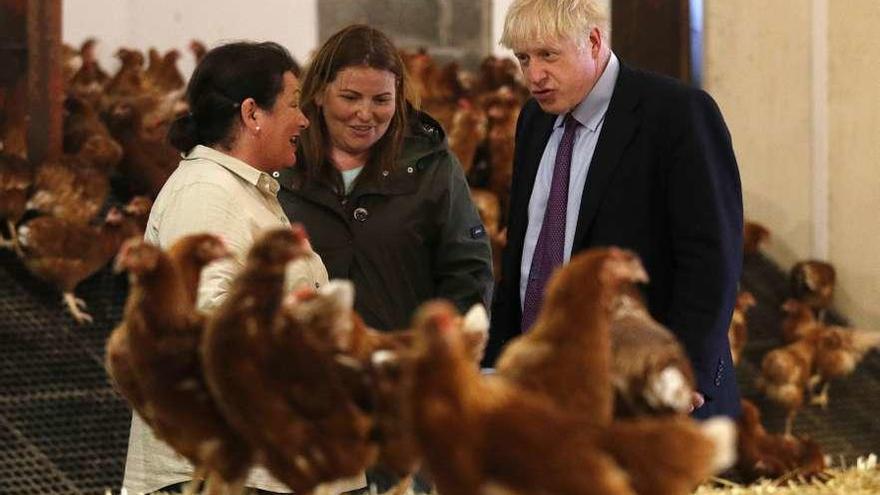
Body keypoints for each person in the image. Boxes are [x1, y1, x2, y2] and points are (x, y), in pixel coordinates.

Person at [484, 0, 744, 419]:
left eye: (548, 55)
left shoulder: (676, 115)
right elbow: (525, 251)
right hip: (545, 383)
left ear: (592, 41)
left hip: (642, 385)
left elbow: (712, 258)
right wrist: (498, 358)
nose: (533, 75)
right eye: (523, 58)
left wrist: (681, 371)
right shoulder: (533, 119)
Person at [122, 41, 361, 495]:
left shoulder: (238, 191)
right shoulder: (207, 194)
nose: (305, 119)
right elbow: (211, 336)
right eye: (293, 105)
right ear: (252, 114)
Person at [277, 24, 493, 334]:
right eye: (350, 97)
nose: (365, 114)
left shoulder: (431, 166)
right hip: (310, 371)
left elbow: (468, 270)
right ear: (321, 93)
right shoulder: (283, 165)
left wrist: (443, 347)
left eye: (381, 100)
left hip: (403, 368)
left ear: (398, 97)